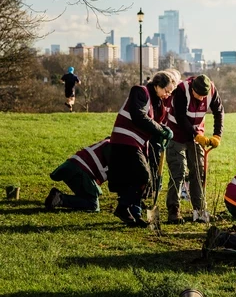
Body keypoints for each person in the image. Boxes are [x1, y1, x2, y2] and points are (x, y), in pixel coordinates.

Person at [108, 71, 176, 227]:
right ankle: (123, 208)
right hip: (124, 141)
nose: (167, 95)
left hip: (136, 144)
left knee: (139, 180)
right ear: (157, 86)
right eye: (166, 91)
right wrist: (160, 130)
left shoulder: (156, 102)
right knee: (143, 176)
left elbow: (153, 124)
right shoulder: (140, 91)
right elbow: (139, 116)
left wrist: (161, 133)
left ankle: (134, 214)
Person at [165, 74, 225, 224]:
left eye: (203, 96)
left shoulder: (211, 90)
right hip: (177, 133)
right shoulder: (181, 90)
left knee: (199, 171)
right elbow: (180, 117)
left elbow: (219, 112)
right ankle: (173, 211)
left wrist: (217, 135)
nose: (200, 99)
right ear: (192, 89)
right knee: (178, 171)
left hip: (197, 133)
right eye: (197, 95)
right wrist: (195, 135)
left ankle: (199, 211)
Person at [46, 138, 112, 212]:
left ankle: (59, 198)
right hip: (80, 170)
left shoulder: (109, 141)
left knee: (88, 197)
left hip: (71, 166)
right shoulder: (114, 148)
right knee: (92, 205)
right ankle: (59, 198)